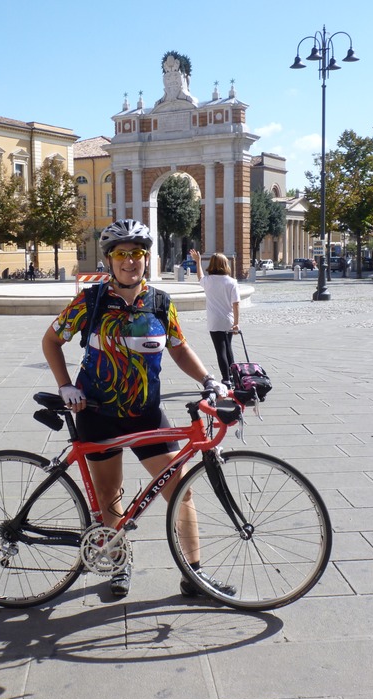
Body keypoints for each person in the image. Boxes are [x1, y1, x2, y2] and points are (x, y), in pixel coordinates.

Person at [42, 219, 230, 599]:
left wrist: (210, 380)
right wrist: (64, 385)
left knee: (181, 491)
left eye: (138, 254)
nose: (130, 261)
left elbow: (178, 347)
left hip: (146, 411)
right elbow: (51, 341)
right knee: (110, 493)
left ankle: (194, 573)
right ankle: (117, 560)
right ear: (109, 260)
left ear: (147, 258)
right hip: (97, 411)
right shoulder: (90, 301)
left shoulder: (160, 302)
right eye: (121, 254)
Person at [189, 249, 239, 389]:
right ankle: (234, 377)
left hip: (214, 321)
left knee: (220, 350)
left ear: (212, 264)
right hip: (228, 320)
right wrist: (236, 323)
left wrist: (198, 261)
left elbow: (200, 277)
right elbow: (236, 304)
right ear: (225, 264)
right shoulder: (232, 282)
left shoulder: (208, 281)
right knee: (228, 348)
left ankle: (226, 379)